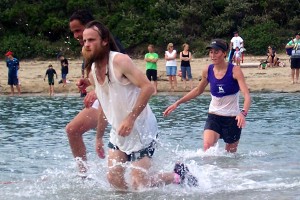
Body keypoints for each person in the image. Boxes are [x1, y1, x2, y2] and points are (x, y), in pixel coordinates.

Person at [80, 20, 198, 190]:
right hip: (119, 132)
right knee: (113, 178)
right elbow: (105, 107)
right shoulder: (91, 72)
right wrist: (98, 137)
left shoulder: (119, 61)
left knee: (139, 183)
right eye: (84, 41)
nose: (87, 45)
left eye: (91, 40)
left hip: (143, 129)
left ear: (104, 40)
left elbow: (148, 88)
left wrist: (130, 118)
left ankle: (177, 175)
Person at [164, 39, 251, 153]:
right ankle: (208, 171)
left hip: (232, 118)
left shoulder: (235, 70)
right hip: (214, 116)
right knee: (207, 146)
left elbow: (246, 95)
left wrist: (243, 113)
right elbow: (198, 90)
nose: (213, 55)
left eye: (216, 52)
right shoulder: (207, 70)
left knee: (230, 156)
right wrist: (177, 103)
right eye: (211, 52)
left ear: (224, 53)